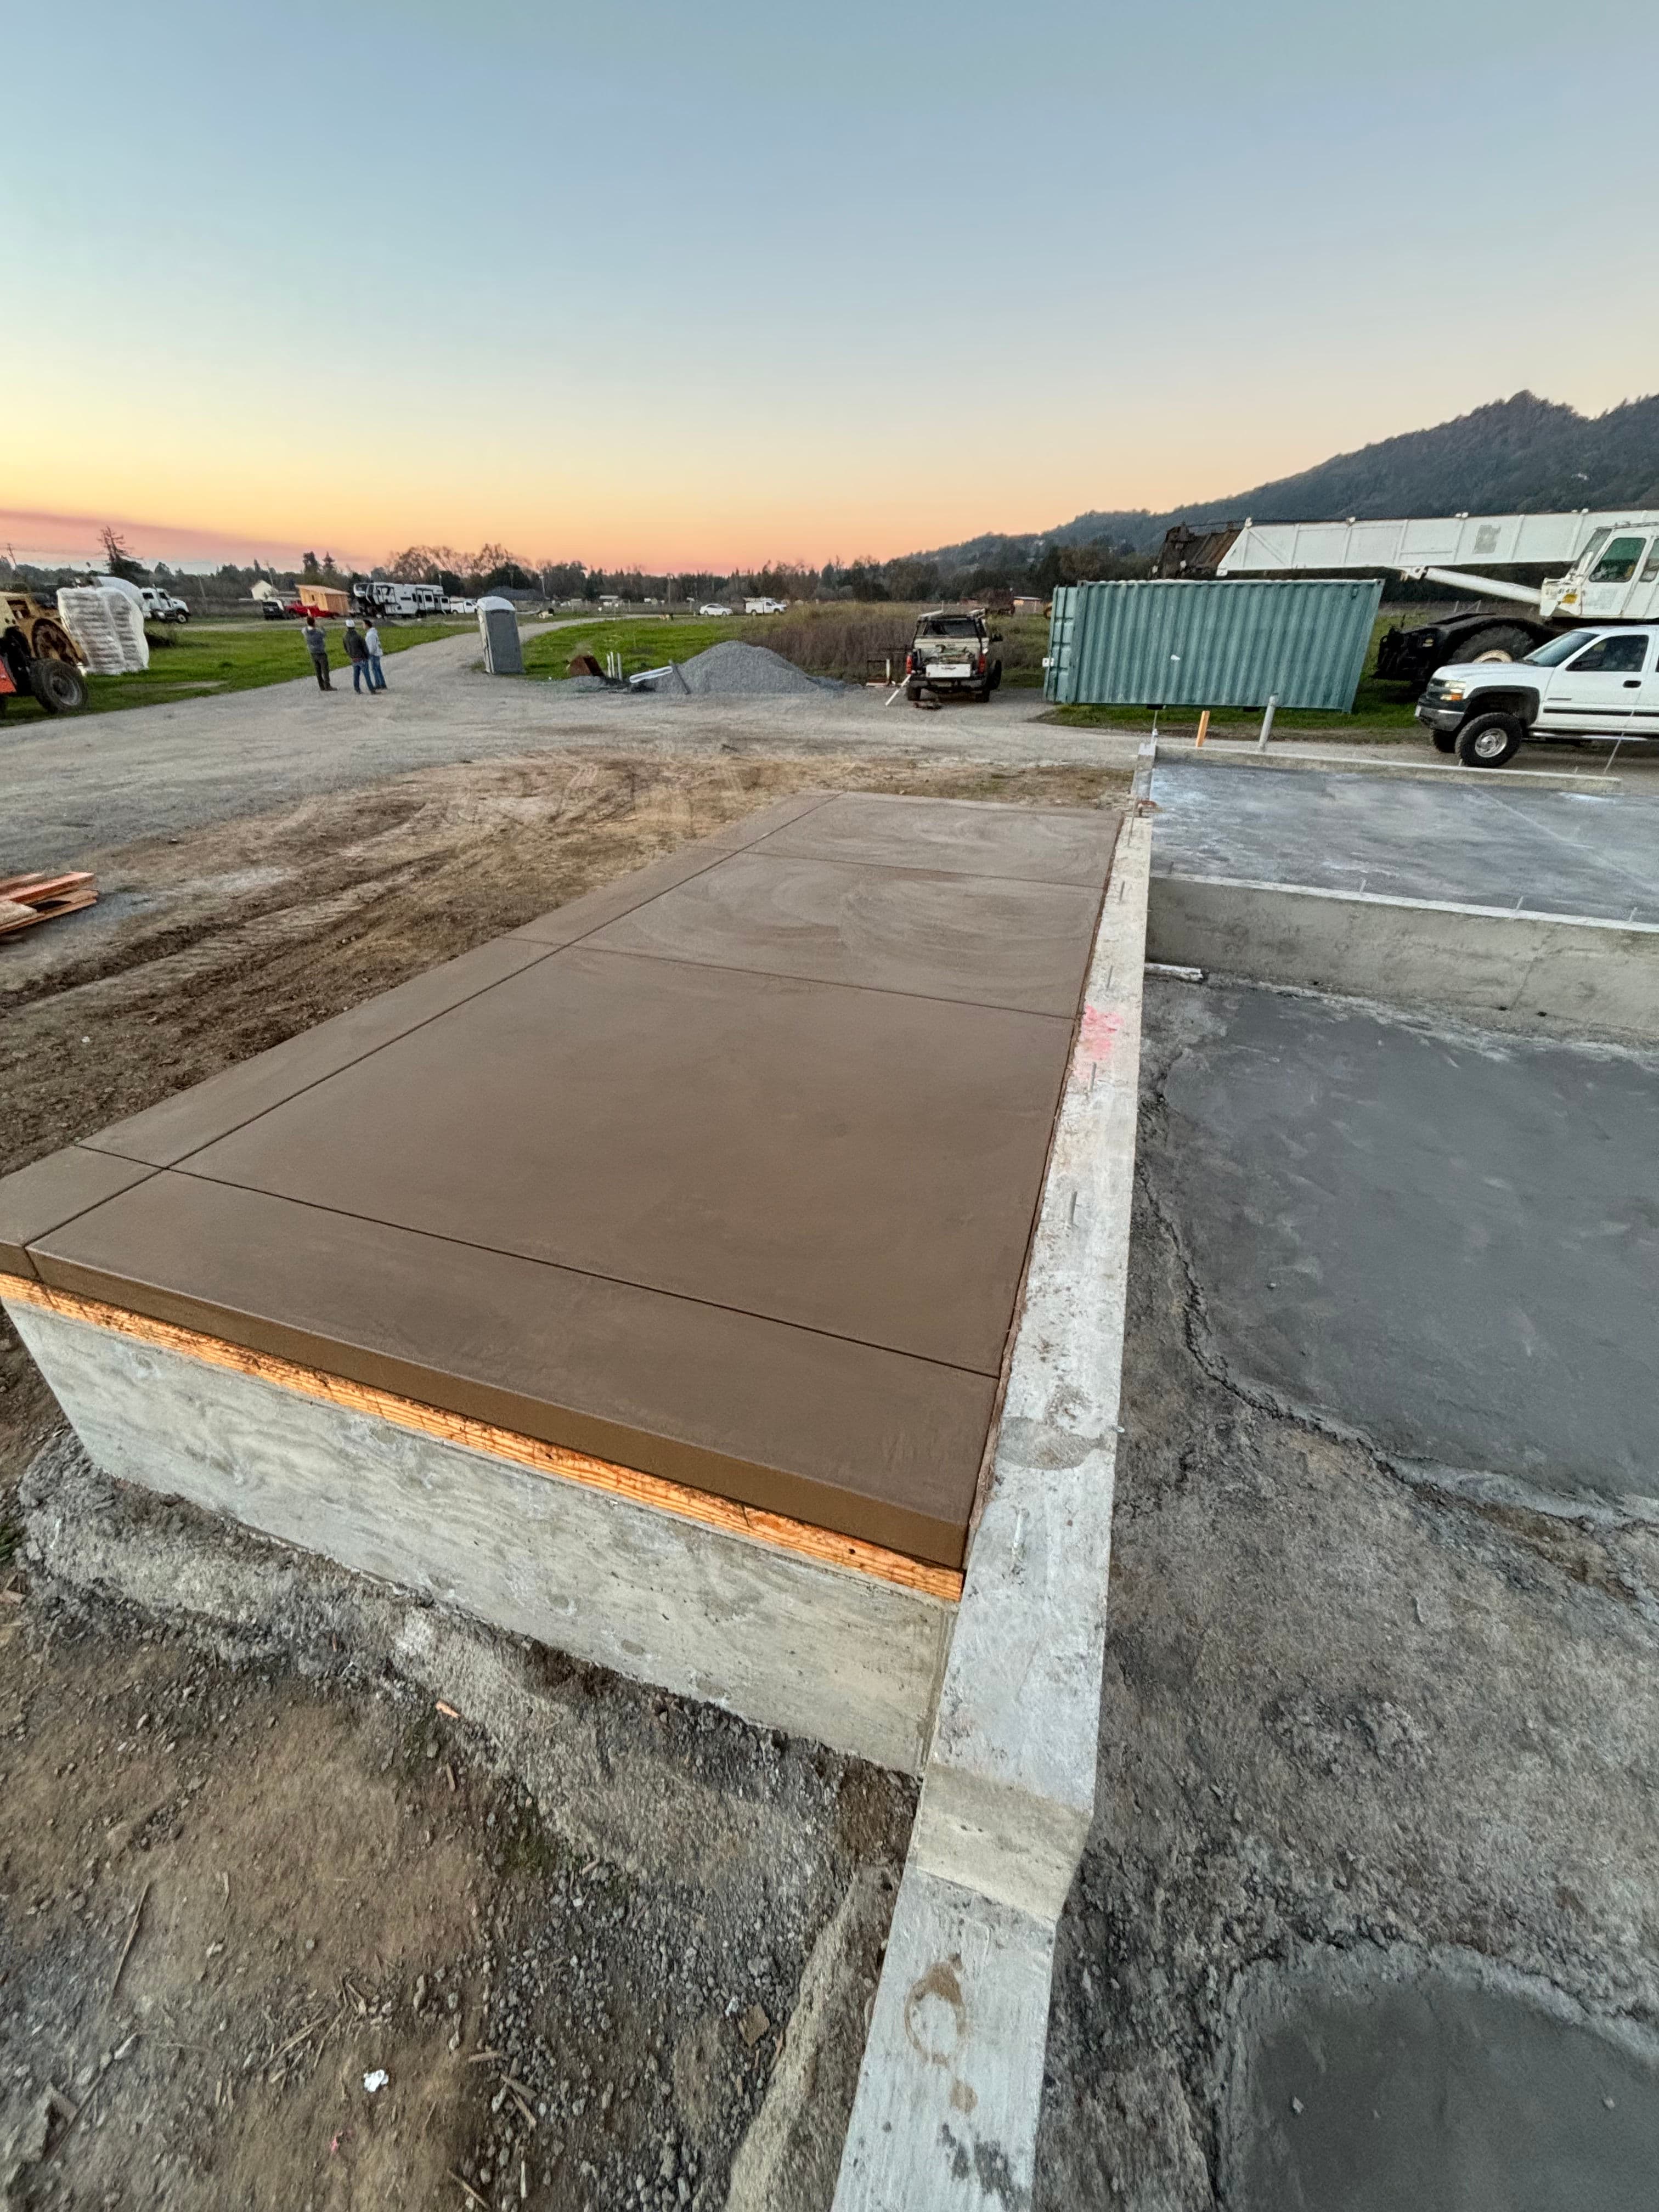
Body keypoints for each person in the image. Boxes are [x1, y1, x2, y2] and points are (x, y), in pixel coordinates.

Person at [342, 618, 372, 693]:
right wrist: (367, 656)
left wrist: (350, 655)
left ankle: (357, 689)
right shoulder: (358, 637)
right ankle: (372, 690)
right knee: (367, 675)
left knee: (356, 675)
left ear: (347, 627)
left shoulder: (345, 637)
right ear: (354, 627)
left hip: (353, 658)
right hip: (362, 658)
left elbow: (345, 648)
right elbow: (365, 648)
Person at [302, 616, 332, 690]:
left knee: (317, 670)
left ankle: (321, 685)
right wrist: (321, 626)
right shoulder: (318, 632)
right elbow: (324, 634)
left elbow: (305, 628)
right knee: (325, 670)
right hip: (321, 652)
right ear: (314, 623)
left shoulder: (305, 631)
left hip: (312, 652)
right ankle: (327, 685)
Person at [364, 619, 386, 691]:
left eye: (363, 624)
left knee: (375, 669)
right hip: (376, 653)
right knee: (378, 669)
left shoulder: (371, 635)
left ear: (367, 625)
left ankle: (378, 684)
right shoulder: (373, 633)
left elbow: (373, 646)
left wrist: (370, 653)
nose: (363, 626)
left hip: (374, 654)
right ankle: (382, 683)